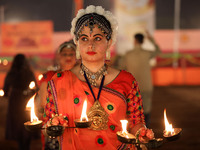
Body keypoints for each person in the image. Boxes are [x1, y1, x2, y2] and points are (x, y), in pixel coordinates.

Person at [42, 5, 154, 150]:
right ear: (77, 43)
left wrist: (141, 132)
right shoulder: (58, 81)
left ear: (109, 42)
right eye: (84, 38)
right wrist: (52, 126)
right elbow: (46, 127)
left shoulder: (127, 80)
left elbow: (135, 122)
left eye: (98, 38)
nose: (90, 44)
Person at [37, 40, 77, 150]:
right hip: (55, 123)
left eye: (71, 54)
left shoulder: (82, 77)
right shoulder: (50, 76)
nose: (68, 57)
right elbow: (44, 103)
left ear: (77, 57)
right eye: (64, 54)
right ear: (58, 57)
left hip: (77, 124)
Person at [121, 32, 161, 127]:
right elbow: (158, 50)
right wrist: (151, 39)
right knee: (146, 109)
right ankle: (146, 132)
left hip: (133, 87)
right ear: (142, 41)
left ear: (134, 41)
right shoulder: (147, 53)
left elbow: (121, 68)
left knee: (132, 110)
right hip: (146, 86)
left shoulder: (128, 54)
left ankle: (135, 132)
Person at [3, 54, 38, 150]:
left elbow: (6, 90)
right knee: (27, 122)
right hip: (27, 100)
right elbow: (35, 88)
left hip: (15, 101)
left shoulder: (12, 73)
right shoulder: (29, 72)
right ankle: (26, 145)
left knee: (17, 124)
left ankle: (21, 146)